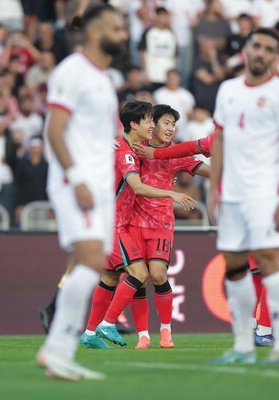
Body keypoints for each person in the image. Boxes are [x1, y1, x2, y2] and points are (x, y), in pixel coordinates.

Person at [36, 3, 128, 381]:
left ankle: (58, 351)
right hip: (76, 182)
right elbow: (54, 130)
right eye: (115, 28)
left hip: (99, 184)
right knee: (90, 261)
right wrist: (75, 178)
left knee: (92, 263)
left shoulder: (105, 78)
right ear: (93, 31)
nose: (122, 35)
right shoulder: (71, 71)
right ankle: (57, 349)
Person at [207, 28, 279, 366]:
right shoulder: (227, 90)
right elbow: (219, 140)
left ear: (276, 56)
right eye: (256, 46)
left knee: (267, 259)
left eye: (269, 49)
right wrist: (213, 188)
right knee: (234, 265)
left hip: (266, 192)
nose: (261, 53)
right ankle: (244, 345)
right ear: (246, 50)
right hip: (231, 193)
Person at [79, 101, 195, 350]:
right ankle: (108, 323)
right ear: (134, 124)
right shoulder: (125, 152)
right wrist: (171, 195)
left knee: (110, 277)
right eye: (148, 120)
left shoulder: (129, 147)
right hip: (116, 225)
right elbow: (138, 187)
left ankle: (89, 332)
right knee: (140, 274)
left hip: (112, 222)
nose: (152, 125)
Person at [127, 104, 209, 349]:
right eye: (166, 123)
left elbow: (209, 171)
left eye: (173, 124)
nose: (170, 128)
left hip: (161, 224)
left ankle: (165, 331)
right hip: (133, 222)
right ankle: (143, 334)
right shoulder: (136, 147)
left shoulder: (177, 154)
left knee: (158, 274)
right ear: (152, 124)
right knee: (138, 280)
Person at [138, 7, 177, 90]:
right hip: (152, 75)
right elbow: (142, 52)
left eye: (165, 16)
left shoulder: (171, 34)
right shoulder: (149, 32)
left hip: (167, 76)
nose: (163, 19)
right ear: (156, 17)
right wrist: (145, 72)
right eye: (161, 16)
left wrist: (173, 75)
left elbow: (174, 56)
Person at [14, 137, 48, 225]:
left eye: (37, 147)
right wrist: (18, 205)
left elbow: (49, 187)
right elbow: (18, 186)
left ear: (41, 149)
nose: (35, 150)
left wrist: (49, 207)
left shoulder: (47, 166)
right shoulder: (22, 165)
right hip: (25, 205)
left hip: (43, 206)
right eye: (33, 147)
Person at [153, 69, 195, 137]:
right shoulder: (158, 94)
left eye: (174, 78)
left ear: (179, 79)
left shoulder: (187, 95)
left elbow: (190, 115)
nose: (172, 80)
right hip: (161, 131)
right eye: (170, 78)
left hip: (182, 132)